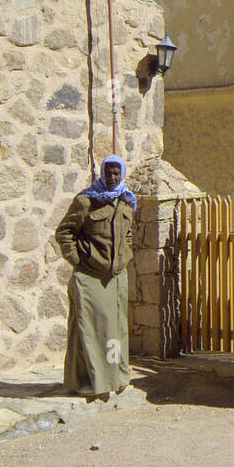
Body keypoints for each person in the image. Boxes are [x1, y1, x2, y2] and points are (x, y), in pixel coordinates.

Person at [55, 154, 135, 400]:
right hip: (90, 277)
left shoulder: (126, 201)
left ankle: (117, 378)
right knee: (91, 331)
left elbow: (128, 234)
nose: (112, 177)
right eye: (108, 172)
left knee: (116, 331)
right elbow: (64, 232)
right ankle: (89, 380)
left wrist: (126, 256)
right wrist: (79, 260)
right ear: (102, 173)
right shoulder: (86, 201)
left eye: (116, 172)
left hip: (116, 278)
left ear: (121, 174)